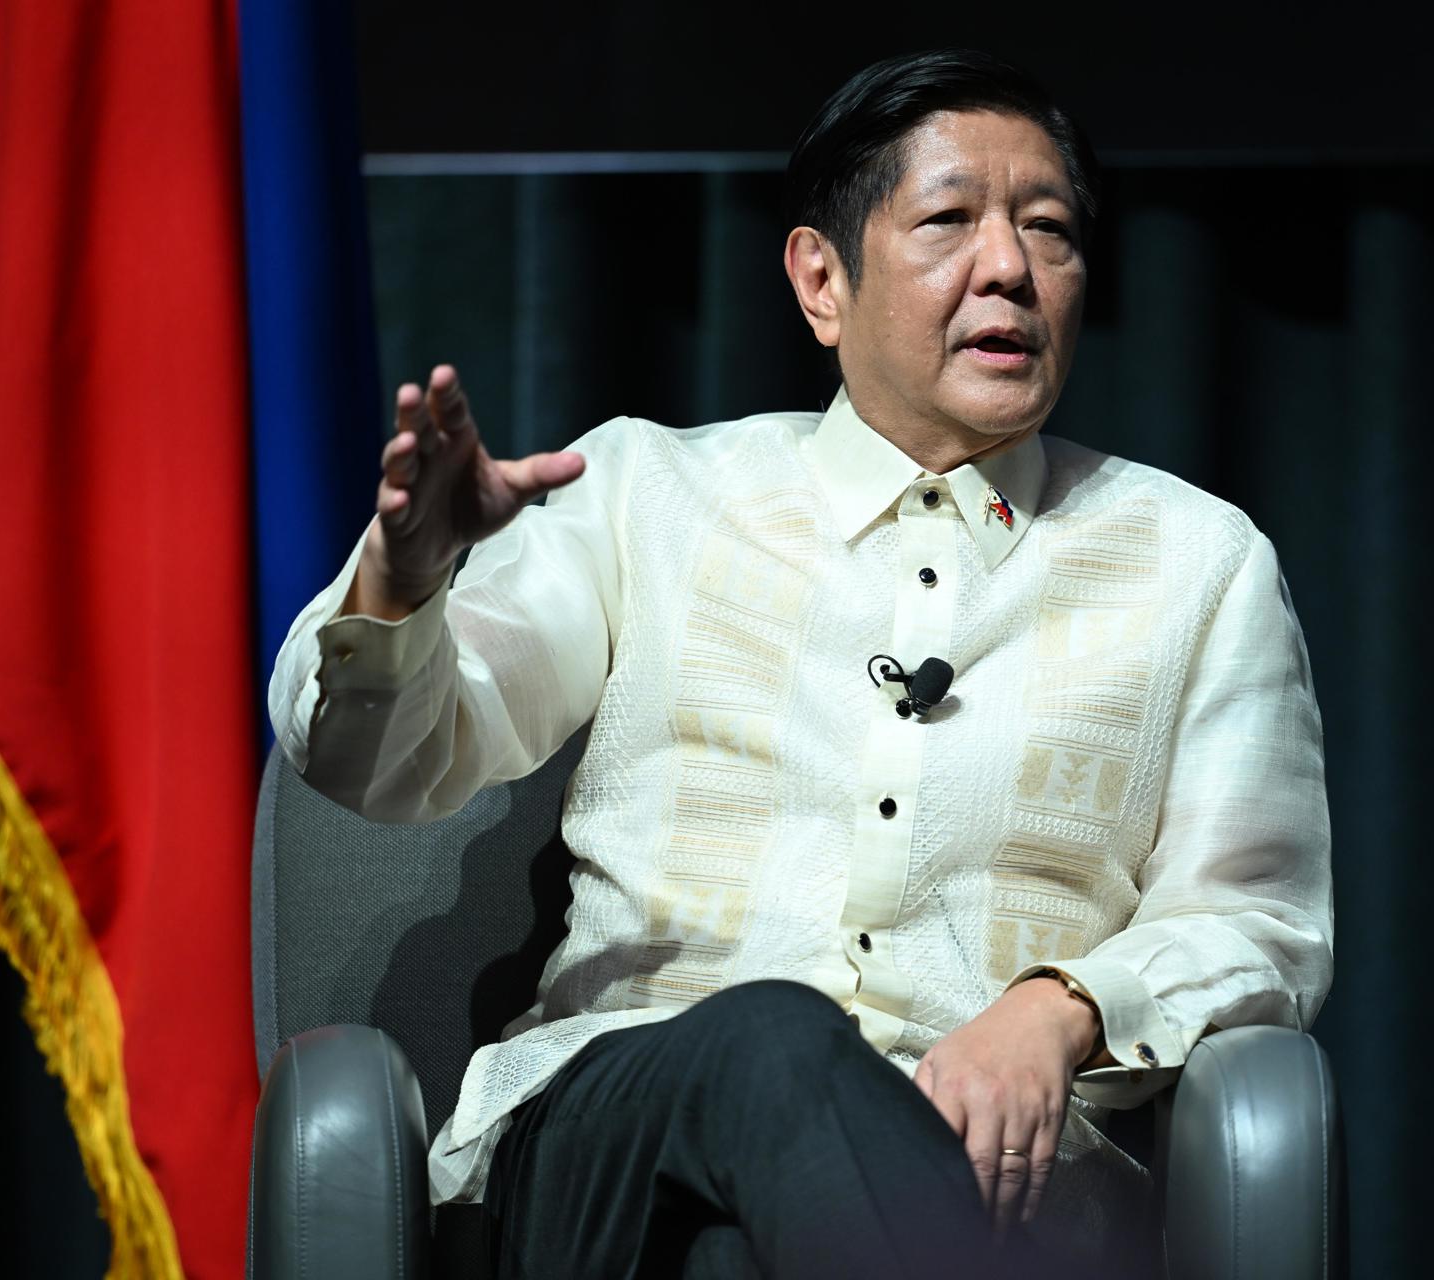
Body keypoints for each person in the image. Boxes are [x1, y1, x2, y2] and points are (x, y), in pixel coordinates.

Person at [270, 48, 1333, 1279]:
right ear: (821, 281)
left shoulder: (1198, 562)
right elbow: (368, 762)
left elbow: (1259, 920)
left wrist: (1060, 1005)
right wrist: (404, 585)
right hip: (614, 1145)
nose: (1011, 268)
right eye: (950, 221)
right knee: (774, 1041)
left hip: (1006, 1177)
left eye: (1049, 230)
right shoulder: (643, 493)